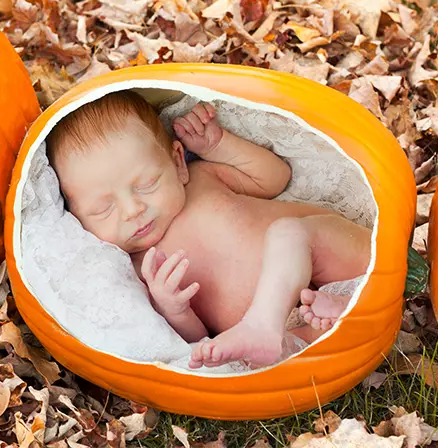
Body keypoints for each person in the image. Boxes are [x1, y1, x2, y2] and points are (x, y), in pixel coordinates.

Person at [46, 91, 371, 369]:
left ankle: (309, 311)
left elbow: (274, 178)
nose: (133, 210)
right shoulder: (140, 271)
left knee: (288, 234)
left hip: (334, 257)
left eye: (146, 184)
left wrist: (218, 146)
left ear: (177, 163)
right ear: (77, 219)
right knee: (284, 354)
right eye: (104, 209)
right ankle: (342, 316)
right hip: (291, 331)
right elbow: (194, 339)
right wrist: (174, 308)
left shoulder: (201, 180)